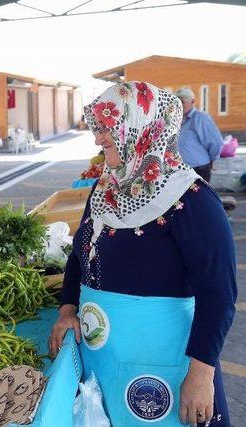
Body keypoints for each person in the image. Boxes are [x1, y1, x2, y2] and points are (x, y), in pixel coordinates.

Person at [49, 82, 236, 426]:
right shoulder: (106, 188)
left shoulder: (191, 200)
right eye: (99, 127)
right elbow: (80, 254)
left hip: (164, 365)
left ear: (143, 128)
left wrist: (201, 374)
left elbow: (219, 295)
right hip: (104, 358)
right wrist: (67, 309)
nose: (99, 138)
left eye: (108, 126)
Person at [175, 87, 224, 182]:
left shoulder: (201, 118)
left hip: (198, 170)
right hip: (181, 171)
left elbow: (215, 142)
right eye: (177, 102)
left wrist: (213, 159)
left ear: (192, 101)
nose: (179, 105)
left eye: (182, 102)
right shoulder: (177, 119)